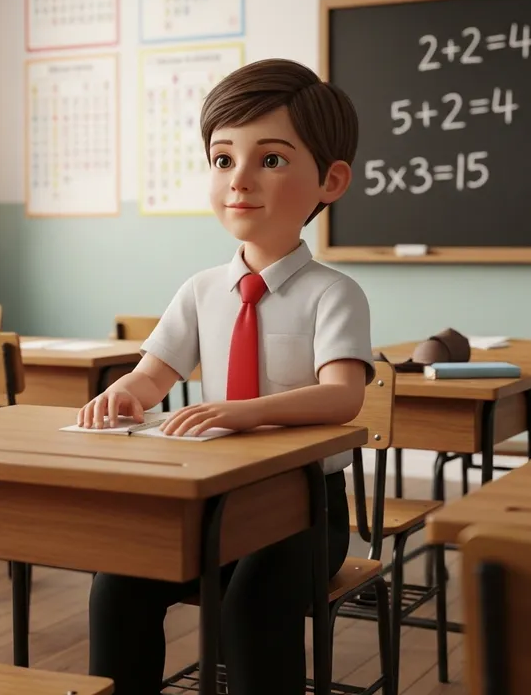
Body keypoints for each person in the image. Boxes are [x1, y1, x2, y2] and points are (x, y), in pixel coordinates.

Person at [77, 58, 374, 695]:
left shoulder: (334, 293)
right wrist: (121, 395)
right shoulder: (202, 288)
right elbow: (152, 375)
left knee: (250, 607)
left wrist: (244, 412)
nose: (239, 180)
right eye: (222, 160)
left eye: (270, 160)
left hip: (302, 510)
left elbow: (345, 396)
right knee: (118, 584)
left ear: (331, 179)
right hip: (208, 499)